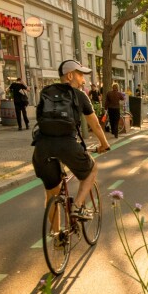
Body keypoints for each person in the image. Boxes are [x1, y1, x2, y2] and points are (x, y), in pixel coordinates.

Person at [33, 59, 109, 229]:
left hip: (42, 147)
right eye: (80, 74)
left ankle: (58, 236)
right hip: (66, 145)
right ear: (69, 76)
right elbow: (95, 125)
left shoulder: (46, 91)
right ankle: (77, 207)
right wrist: (104, 143)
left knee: (51, 194)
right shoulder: (79, 96)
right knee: (92, 169)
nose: (84, 79)